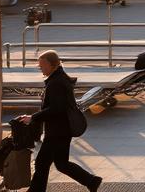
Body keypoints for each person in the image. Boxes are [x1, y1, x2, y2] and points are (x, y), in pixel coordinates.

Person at [19, 50, 102, 192]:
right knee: (61, 164)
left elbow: (56, 109)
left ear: (53, 65)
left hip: (57, 131)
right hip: (63, 129)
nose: (40, 68)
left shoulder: (56, 82)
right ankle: (91, 181)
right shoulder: (58, 78)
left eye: (43, 65)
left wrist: (33, 118)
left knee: (42, 163)